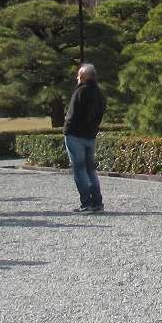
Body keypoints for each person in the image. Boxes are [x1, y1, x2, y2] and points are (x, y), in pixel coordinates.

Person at [62, 64, 105, 213]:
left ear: (84, 76)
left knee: (80, 170)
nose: (77, 78)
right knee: (91, 170)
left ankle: (86, 202)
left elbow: (72, 114)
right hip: (90, 135)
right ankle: (97, 202)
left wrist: (66, 129)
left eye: (79, 75)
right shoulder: (99, 93)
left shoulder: (80, 91)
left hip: (75, 135)